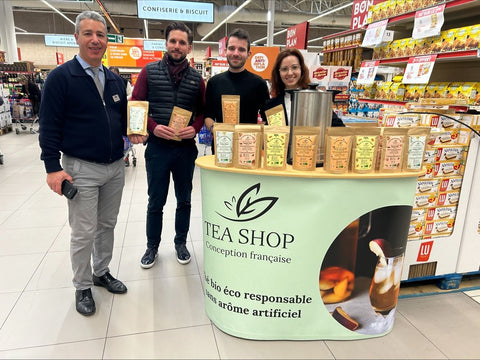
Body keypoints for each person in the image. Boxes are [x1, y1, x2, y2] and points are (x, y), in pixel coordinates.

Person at [39, 10, 145, 316]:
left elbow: (124, 118)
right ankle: (82, 286)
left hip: (115, 166)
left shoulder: (114, 79)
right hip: (80, 168)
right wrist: (51, 167)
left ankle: (101, 272)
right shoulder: (60, 78)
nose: (95, 40)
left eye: (100, 35)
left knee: (107, 225)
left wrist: (136, 131)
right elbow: (48, 126)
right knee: (83, 231)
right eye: (88, 34)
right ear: (77, 38)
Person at [131, 21, 205, 269]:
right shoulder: (148, 72)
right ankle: (152, 246)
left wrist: (193, 128)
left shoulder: (197, 79)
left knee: (184, 199)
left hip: (185, 150)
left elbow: (203, 112)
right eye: (173, 41)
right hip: (158, 149)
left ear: (189, 47)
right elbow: (136, 105)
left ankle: (180, 243)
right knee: (156, 200)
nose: (177, 46)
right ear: (166, 44)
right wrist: (153, 127)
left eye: (182, 42)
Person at [204, 28, 269, 131]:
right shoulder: (214, 83)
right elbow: (207, 115)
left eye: (241, 49)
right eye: (232, 48)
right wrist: (215, 130)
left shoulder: (259, 84)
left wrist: (257, 135)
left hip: (248, 145)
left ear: (248, 54)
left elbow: (267, 117)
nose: (236, 53)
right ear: (225, 51)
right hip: (222, 144)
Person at [266, 48, 344, 127]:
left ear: (301, 69)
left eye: (294, 67)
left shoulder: (316, 99)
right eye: (284, 69)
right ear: (278, 73)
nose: (290, 73)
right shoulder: (271, 105)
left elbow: (339, 128)